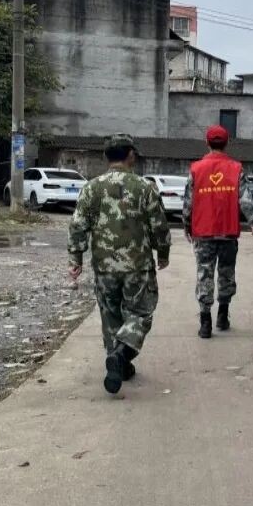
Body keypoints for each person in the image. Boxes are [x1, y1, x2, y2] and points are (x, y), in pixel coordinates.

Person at [67, 134, 171, 396]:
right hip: (137, 266)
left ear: (105, 156)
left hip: (104, 267)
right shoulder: (145, 187)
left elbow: (78, 225)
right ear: (131, 155)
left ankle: (117, 364)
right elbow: (159, 225)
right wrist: (163, 253)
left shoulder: (91, 188)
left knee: (110, 315)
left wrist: (76, 258)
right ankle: (122, 355)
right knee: (140, 314)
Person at [182, 125, 253, 339]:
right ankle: (222, 316)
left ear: (207, 143)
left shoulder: (196, 169)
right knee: (226, 273)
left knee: (204, 273)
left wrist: (187, 224)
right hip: (228, 231)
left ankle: (205, 322)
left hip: (203, 231)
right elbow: (245, 198)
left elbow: (188, 201)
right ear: (227, 143)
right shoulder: (236, 168)